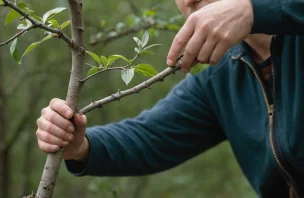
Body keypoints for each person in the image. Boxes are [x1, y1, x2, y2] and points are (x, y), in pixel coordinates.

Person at [36, 0, 304, 197]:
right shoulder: (220, 75)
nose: (188, 1)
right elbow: (150, 136)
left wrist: (255, 10)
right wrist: (80, 145)